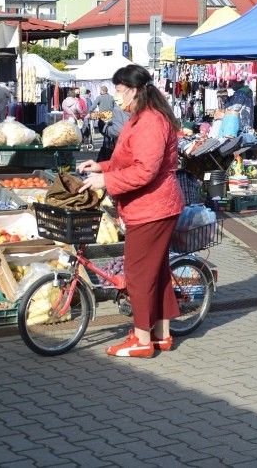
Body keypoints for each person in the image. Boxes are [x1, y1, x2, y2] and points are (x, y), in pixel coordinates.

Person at [77, 64, 185, 358]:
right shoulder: (139, 118)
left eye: (120, 89)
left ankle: (141, 340)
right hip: (151, 206)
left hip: (153, 208)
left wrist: (106, 180)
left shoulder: (150, 121)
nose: (117, 95)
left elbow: (145, 171)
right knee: (157, 273)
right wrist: (102, 166)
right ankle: (161, 335)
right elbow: (128, 160)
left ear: (135, 90)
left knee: (137, 275)